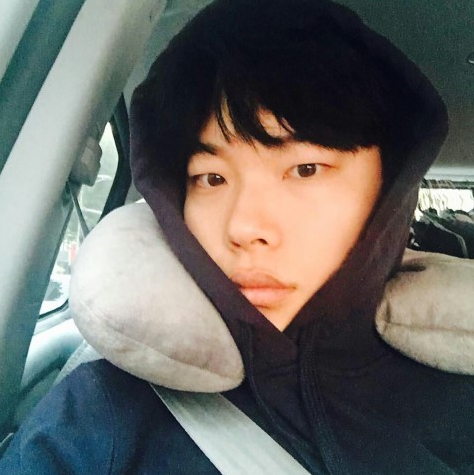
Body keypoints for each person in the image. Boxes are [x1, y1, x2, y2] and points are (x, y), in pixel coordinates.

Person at [1, 0, 474, 473]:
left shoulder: (458, 403)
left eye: (306, 169)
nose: (244, 228)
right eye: (211, 178)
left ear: (389, 188)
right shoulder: (99, 417)